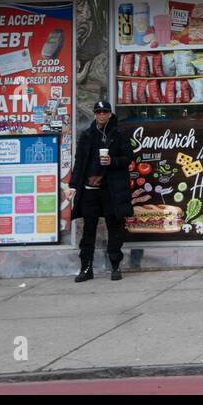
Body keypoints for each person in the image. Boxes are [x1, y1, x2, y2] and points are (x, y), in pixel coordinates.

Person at [71, 99, 132, 281]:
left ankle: (115, 266)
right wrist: (73, 185)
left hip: (111, 188)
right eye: (99, 112)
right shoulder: (87, 134)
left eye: (105, 111)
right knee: (89, 229)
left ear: (110, 113)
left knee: (114, 227)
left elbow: (128, 157)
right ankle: (86, 268)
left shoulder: (119, 133)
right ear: (95, 114)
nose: (102, 115)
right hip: (90, 189)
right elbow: (79, 162)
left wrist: (112, 161)